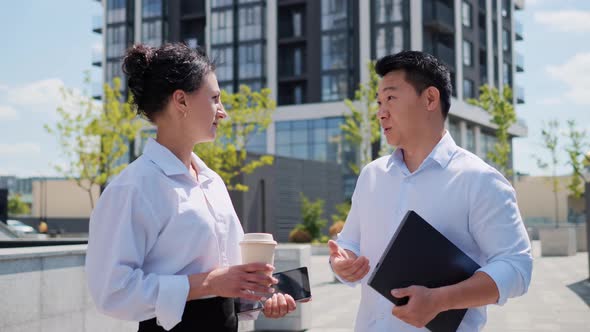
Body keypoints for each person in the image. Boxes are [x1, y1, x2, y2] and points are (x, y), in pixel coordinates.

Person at [86, 43, 296, 332]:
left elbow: (230, 277)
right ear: (181, 101)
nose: (223, 112)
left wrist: (261, 298)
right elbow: (112, 292)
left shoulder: (212, 182)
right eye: (215, 99)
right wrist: (208, 283)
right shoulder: (133, 187)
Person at [328, 51, 533, 331]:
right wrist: (343, 262)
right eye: (378, 102)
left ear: (430, 99)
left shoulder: (480, 180)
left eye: (390, 98)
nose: (380, 112)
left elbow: (517, 266)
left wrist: (440, 300)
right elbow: (349, 244)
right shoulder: (371, 176)